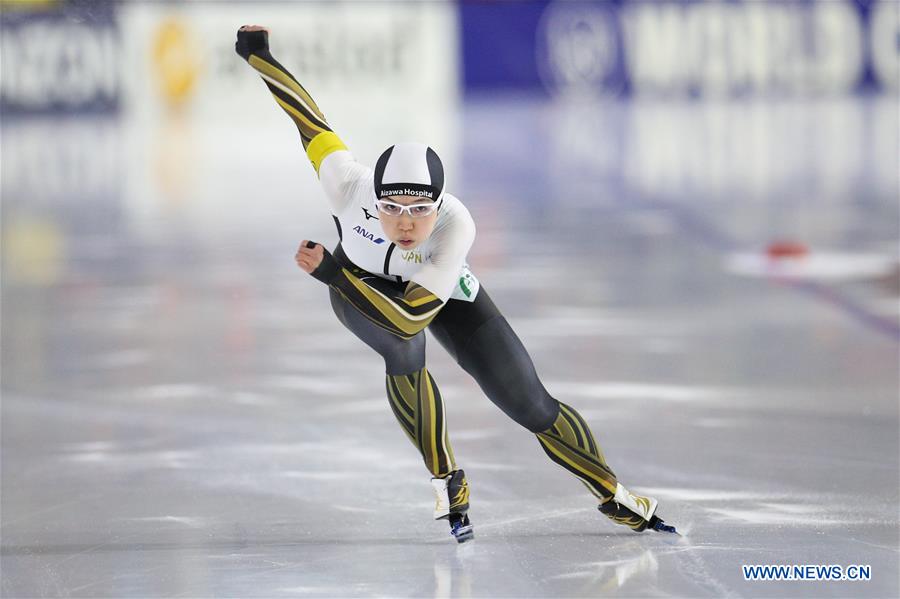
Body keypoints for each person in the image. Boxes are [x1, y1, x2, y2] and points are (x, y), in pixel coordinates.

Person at [235, 25, 677, 542]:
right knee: (404, 352)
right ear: (372, 200)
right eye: (391, 209)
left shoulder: (456, 225)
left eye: (420, 210)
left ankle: (613, 493)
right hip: (360, 288)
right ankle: (446, 479)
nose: (405, 222)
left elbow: (412, 314)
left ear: (439, 206)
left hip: (408, 293)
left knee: (528, 400)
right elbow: (306, 117)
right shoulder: (346, 182)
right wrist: (260, 56)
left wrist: (328, 272)